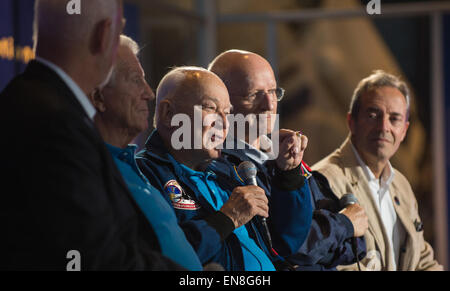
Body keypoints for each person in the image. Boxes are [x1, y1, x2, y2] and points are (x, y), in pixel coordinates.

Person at [0, 0, 181, 270]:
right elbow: (100, 258)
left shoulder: (23, 98)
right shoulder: (58, 126)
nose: (149, 93)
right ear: (104, 34)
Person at [136, 67, 312, 271]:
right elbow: (165, 257)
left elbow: (286, 241)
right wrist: (228, 218)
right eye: (209, 108)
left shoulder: (228, 172)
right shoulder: (145, 175)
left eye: (227, 113)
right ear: (168, 114)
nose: (223, 124)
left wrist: (288, 173)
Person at [209, 49, 367, 271]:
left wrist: (328, 236)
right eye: (254, 94)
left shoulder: (286, 156)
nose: (269, 104)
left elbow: (357, 247)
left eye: (273, 92)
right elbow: (292, 249)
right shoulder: (219, 170)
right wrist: (345, 224)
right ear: (221, 103)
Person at [88, 35, 202, 271]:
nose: (149, 93)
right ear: (98, 96)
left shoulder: (131, 167)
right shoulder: (88, 173)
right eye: (135, 81)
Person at [313, 70, 443, 271]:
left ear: (404, 130)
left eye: (394, 119)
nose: (384, 127)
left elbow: (422, 259)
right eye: (373, 115)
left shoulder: (401, 184)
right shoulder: (323, 180)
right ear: (351, 122)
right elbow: (330, 265)